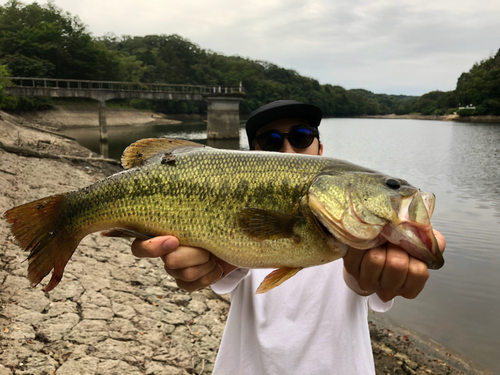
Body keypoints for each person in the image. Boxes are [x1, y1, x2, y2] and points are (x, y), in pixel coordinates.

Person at [131, 100, 446, 374]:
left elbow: (365, 284)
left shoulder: (362, 239)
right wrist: (209, 264)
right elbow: (227, 268)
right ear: (252, 156)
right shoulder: (238, 210)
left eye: (301, 136)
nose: (288, 149)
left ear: (321, 150)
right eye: (270, 141)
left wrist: (371, 275)